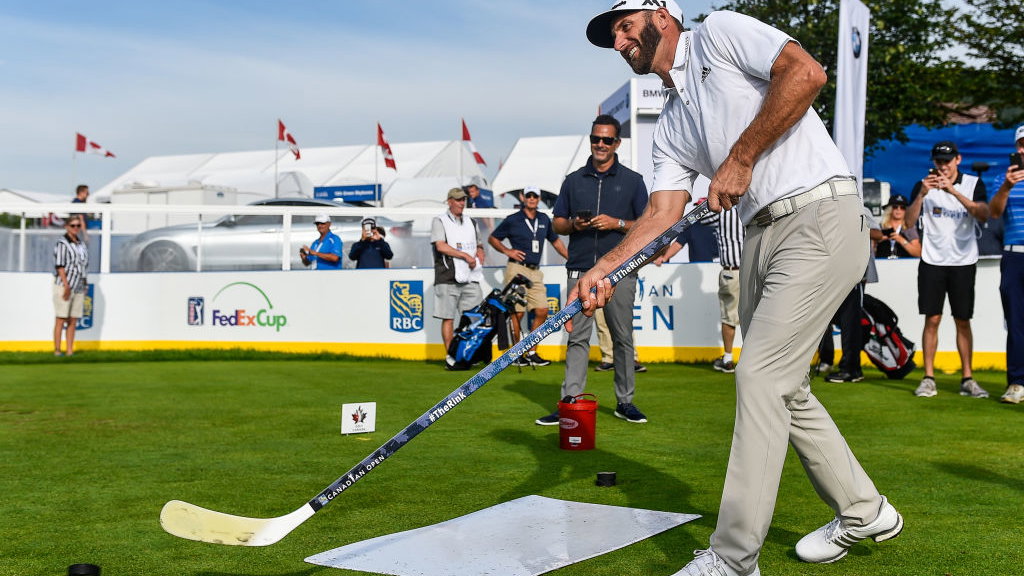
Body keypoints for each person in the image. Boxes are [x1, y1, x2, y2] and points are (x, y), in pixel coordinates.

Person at [583, 3, 902, 574]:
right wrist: (604, 267)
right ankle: (864, 510)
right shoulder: (672, 123)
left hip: (820, 213)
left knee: (758, 375)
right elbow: (660, 214)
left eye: (625, 25)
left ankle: (733, 558)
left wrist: (740, 156)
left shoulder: (719, 33)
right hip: (759, 235)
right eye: (612, 36)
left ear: (661, 14)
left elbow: (806, 73)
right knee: (786, 387)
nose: (619, 41)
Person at [535, 113, 649, 426]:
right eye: (596, 139)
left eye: (607, 140)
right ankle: (570, 402)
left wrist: (618, 223)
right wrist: (574, 224)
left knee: (622, 337)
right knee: (577, 339)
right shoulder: (573, 180)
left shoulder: (633, 181)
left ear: (617, 143)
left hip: (619, 271)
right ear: (591, 140)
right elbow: (557, 222)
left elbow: (648, 225)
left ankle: (625, 402)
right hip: (579, 268)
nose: (600, 144)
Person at [905, 140, 990, 399]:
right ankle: (928, 377)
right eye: (939, 161)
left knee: (962, 320)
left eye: (947, 161)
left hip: (964, 261)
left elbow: (983, 214)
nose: (943, 166)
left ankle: (968, 378)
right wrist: (922, 194)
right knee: (932, 319)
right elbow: (908, 224)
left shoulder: (974, 183)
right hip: (932, 260)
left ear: (958, 160)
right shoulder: (923, 185)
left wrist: (952, 191)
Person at [488, 186, 569, 367]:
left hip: (535, 271)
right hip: (517, 269)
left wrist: (572, 259)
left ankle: (531, 351)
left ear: (539, 198)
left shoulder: (543, 219)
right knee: (517, 313)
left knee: (542, 310)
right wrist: (508, 251)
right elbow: (493, 238)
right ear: (523, 197)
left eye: (535, 196)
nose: (532, 198)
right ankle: (517, 354)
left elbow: (555, 241)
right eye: (529, 195)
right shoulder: (513, 219)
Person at [824, 208, 884, 383]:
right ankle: (841, 364)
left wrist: (854, 227)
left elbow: (878, 234)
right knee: (840, 320)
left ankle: (851, 369)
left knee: (850, 322)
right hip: (837, 271)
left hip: (856, 272)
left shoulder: (860, 206)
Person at [989, 125, 1024, 404]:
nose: (1023, 149)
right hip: (1014, 255)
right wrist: (1007, 186)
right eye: (1021, 145)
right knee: (1016, 321)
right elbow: (994, 212)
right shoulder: (1004, 177)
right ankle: (1017, 382)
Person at [432, 187, 485, 354]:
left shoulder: (472, 221)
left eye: (463, 199)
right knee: (448, 318)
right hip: (447, 276)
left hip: (471, 276)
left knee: (473, 318)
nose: (462, 203)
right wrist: (465, 256)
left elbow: (479, 245)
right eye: (458, 200)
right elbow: (440, 245)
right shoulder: (439, 221)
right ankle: (450, 355)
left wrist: (480, 255)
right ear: (449, 202)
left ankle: (468, 353)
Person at [53, 215, 89, 356]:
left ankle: (69, 350)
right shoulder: (62, 243)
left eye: (78, 226)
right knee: (61, 318)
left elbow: (84, 266)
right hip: (64, 285)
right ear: (67, 226)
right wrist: (66, 286)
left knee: (73, 319)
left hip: (79, 284)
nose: (75, 228)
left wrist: (84, 284)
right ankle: (57, 350)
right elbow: (60, 266)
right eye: (73, 225)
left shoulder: (81, 244)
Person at [874, 194, 921, 258]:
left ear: (906, 211)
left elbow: (918, 253)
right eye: (895, 207)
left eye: (902, 208)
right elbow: (869, 251)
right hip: (881, 264)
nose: (898, 210)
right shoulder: (880, 227)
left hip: (904, 264)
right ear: (890, 209)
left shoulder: (909, 228)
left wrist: (901, 240)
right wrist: (878, 240)